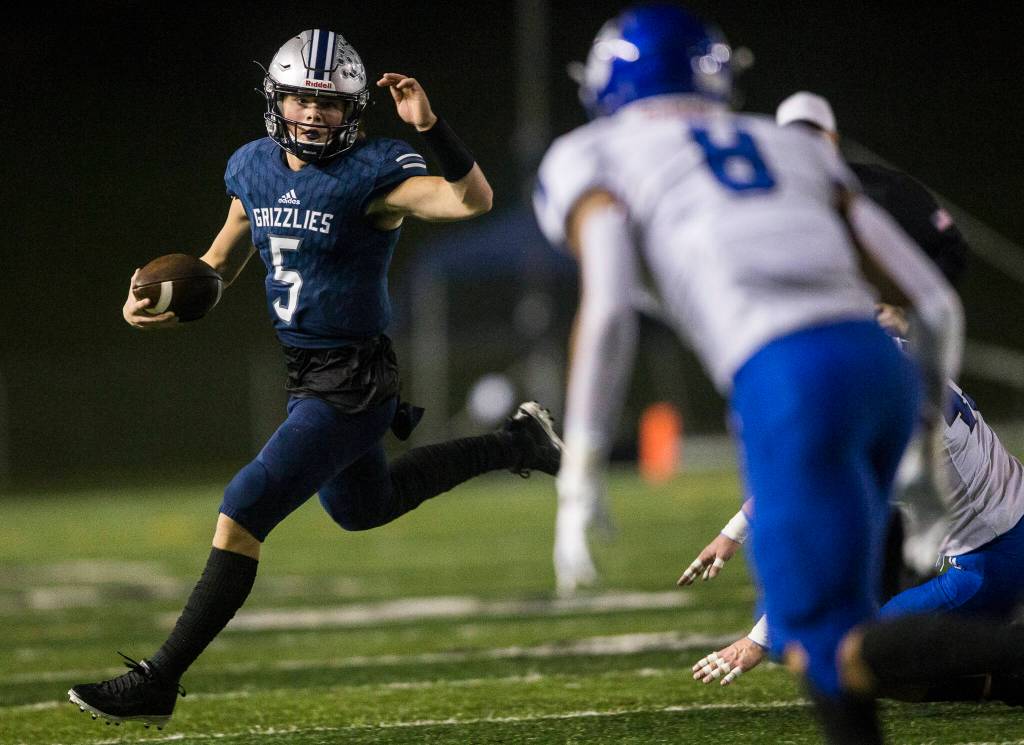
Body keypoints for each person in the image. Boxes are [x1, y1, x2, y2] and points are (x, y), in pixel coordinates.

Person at [533, 5, 1024, 743]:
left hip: (787, 375)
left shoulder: (589, 153)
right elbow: (929, 299)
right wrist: (919, 442)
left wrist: (582, 472)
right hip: (879, 370)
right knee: (839, 639)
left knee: (823, 646)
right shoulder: (783, 146)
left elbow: (606, 310)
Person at [67, 28, 563, 729]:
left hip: (355, 379)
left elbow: (471, 201)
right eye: (301, 96)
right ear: (277, 98)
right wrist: (164, 299)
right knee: (365, 505)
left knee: (244, 505)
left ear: (353, 110)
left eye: (329, 103)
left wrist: (432, 128)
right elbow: (219, 262)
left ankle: (159, 678)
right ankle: (516, 442)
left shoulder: (376, 168)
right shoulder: (251, 167)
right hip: (307, 373)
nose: (312, 113)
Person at [686, 306, 1024, 707]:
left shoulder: (897, 436)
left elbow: (824, 541)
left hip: (991, 563)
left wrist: (758, 639)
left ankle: (1011, 677)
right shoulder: (899, 361)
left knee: (857, 653)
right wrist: (735, 530)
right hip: (1004, 525)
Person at [776, 91, 970, 291]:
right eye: (796, 137)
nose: (807, 145)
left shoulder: (887, 187)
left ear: (833, 140)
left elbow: (950, 247)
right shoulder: (764, 200)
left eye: (815, 136)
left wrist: (908, 307)